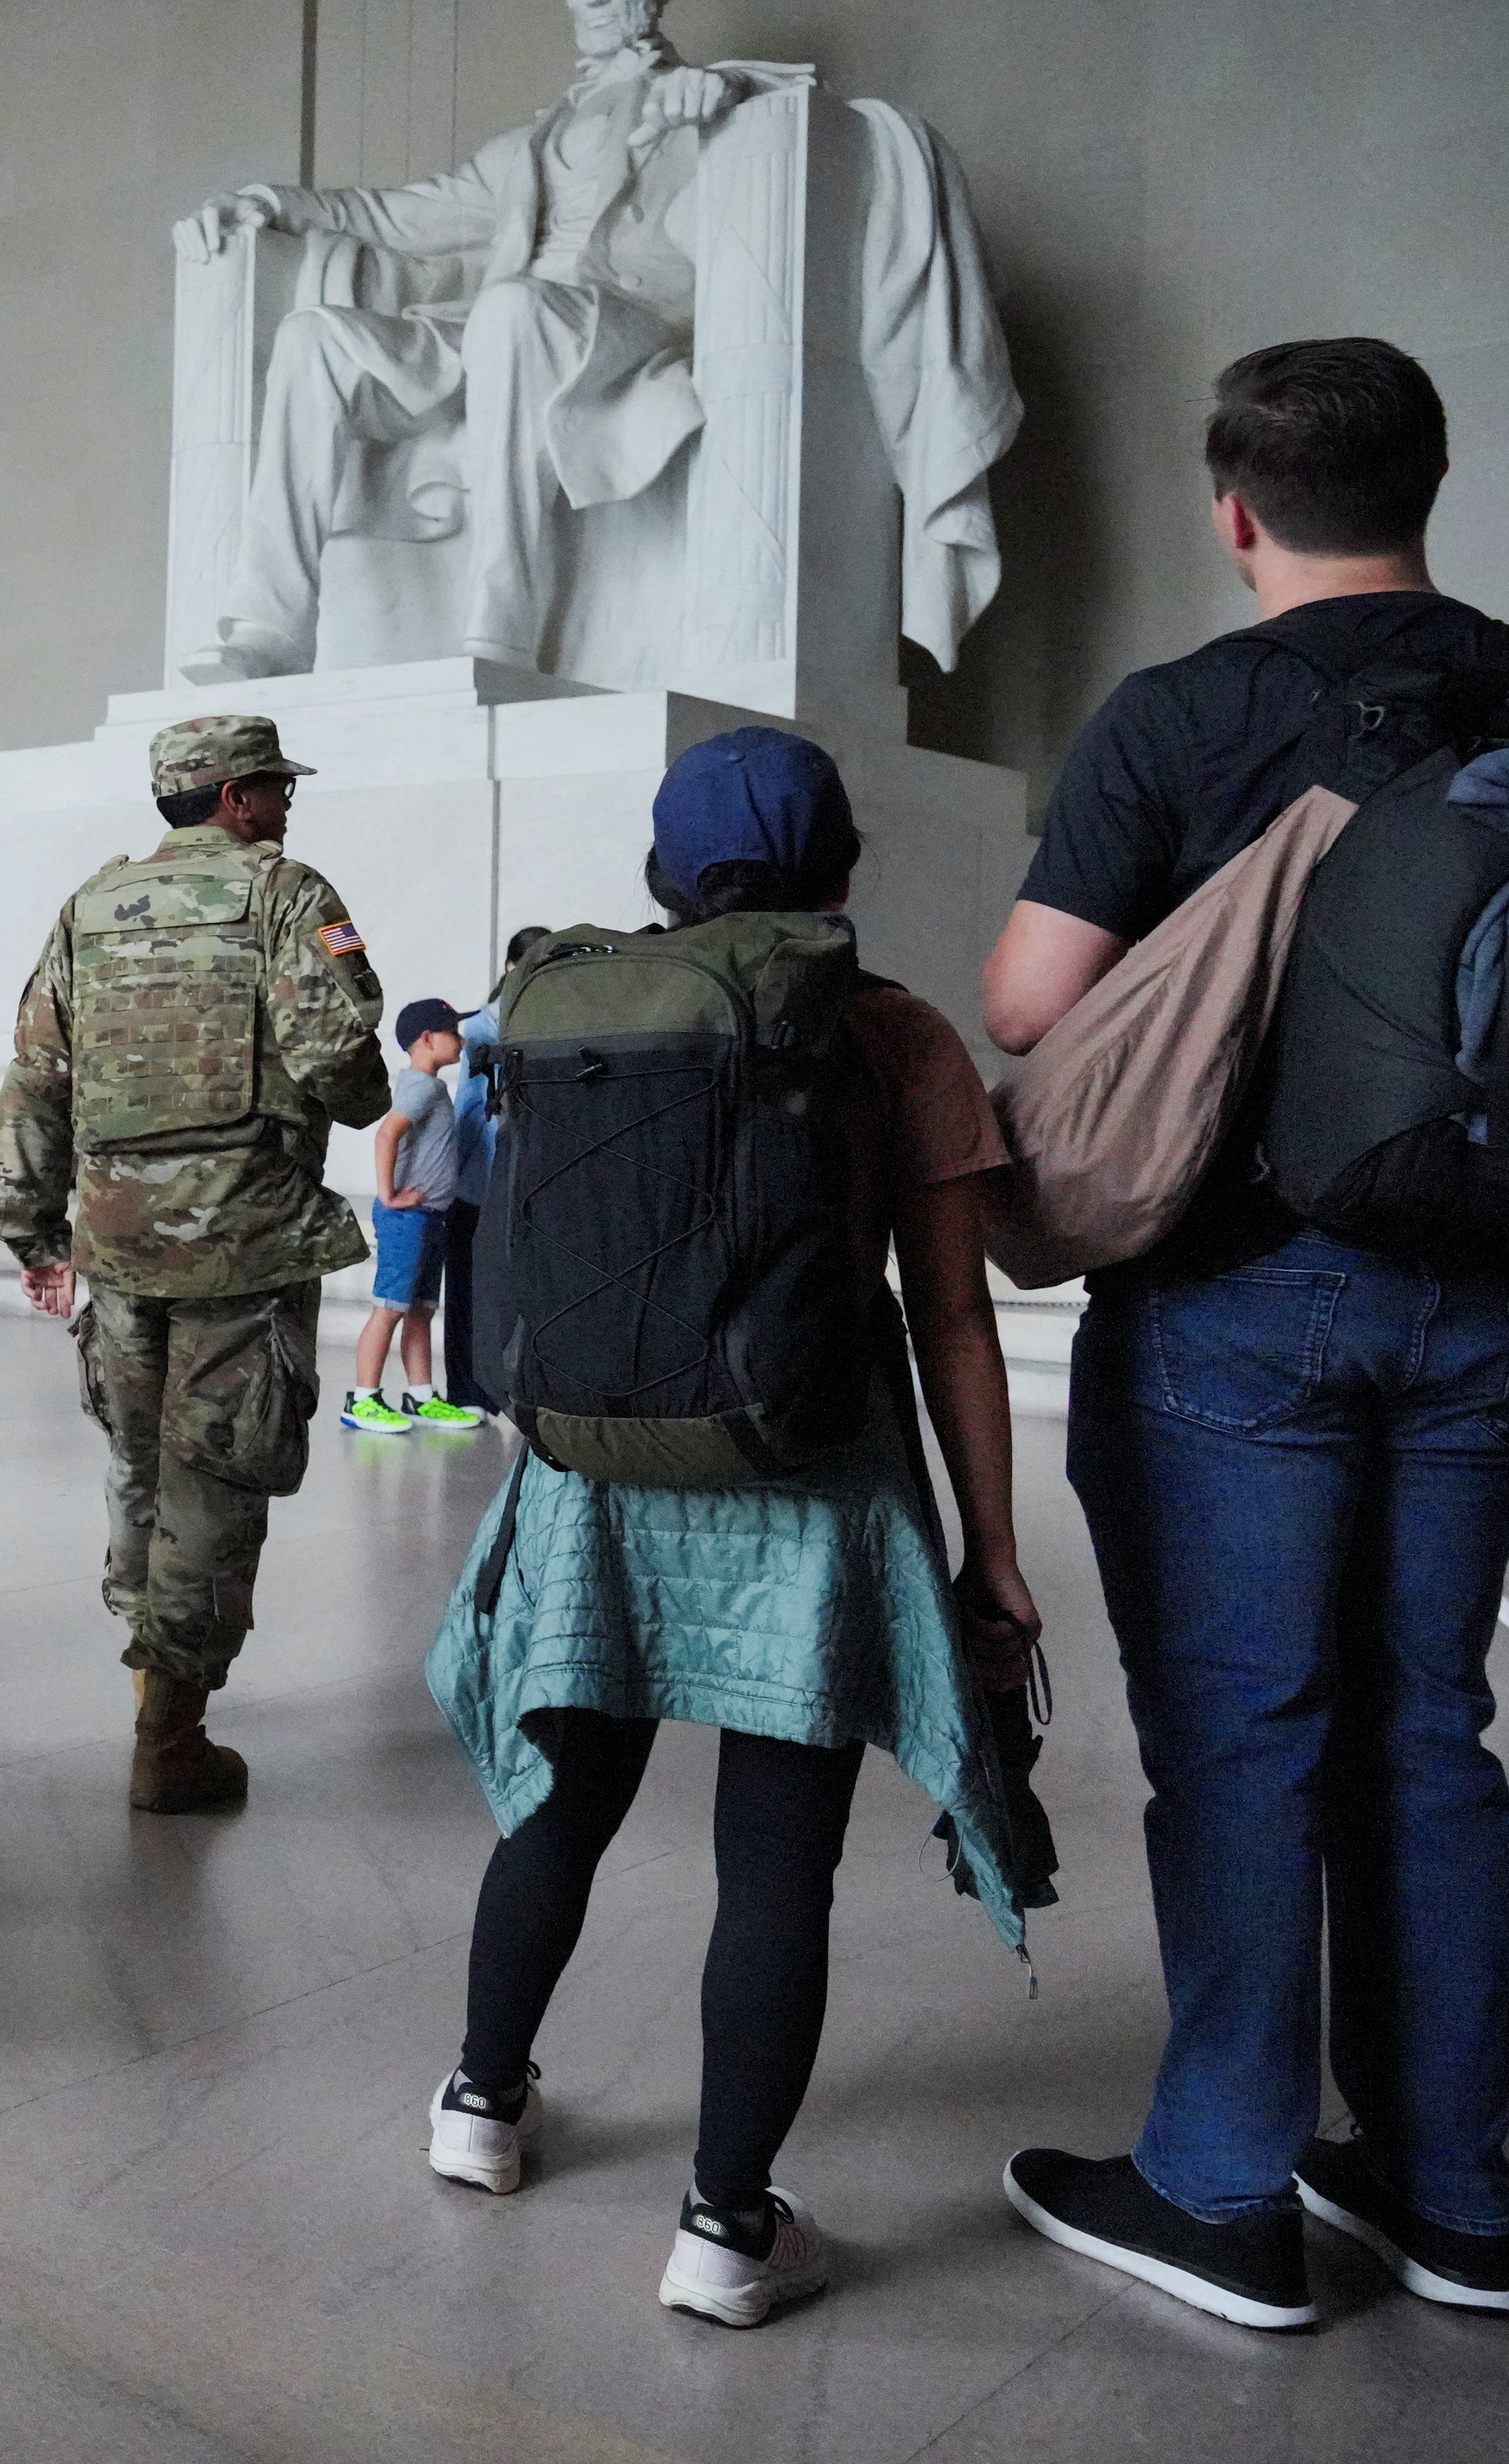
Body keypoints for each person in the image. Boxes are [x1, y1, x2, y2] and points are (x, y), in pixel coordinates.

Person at [983, 339, 1509, 2328]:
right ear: (1429, 483)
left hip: (1236, 1291)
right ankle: (1446, 2189)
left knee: (1243, 1736)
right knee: (1425, 1721)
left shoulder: (1180, 715)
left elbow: (1035, 999)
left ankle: (1218, 2184)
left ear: (1231, 509)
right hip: (1487, 1292)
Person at [426, 724, 1047, 2328]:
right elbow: (956, 1320)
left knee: (558, 1802)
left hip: (593, 1478)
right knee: (777, 1862)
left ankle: (481, 2103)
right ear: (843, 869)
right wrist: (995, 1550)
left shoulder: (575, 1007)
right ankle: (723, 2222)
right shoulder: (891, 1031)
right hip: (804, 1480)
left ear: (660, 872)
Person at [0, 713, 393, 1811]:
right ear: (232, 798)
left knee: (134, 1466)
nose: (283, 801)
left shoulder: (89, 907)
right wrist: (366, 1099)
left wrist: (30, 1225)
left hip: (115, 1246)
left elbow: (35, 1075)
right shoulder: (285, 893)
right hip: (241, 1245)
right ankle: (169, 1739)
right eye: (271, 784)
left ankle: (151, 1687)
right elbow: (335, 1057)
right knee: (212, 1480)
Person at [345, 1001, 485, 1432]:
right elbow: (388, 1133)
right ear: (427, 1039)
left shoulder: (430, 1087)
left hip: (429, 1218)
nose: (461, 1041)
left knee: (421, 1310)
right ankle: (362, 1399)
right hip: (409, 1219)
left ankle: (421, 1395)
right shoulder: (421, 1088)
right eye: (452, 1033)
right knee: (389, 1308)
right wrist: (387, 1195)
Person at [441, 926, 547, 1415]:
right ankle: (466, 1391)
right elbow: (468, 1110)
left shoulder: (533, 1022)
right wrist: (450, 1180)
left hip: (516, 1181)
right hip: (476, 1184)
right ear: (511, 968)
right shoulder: (483, 1031)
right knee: (466, 1289)